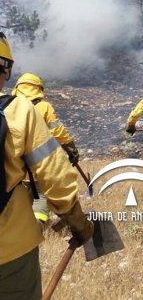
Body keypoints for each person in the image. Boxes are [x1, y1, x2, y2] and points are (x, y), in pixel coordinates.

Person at [0, 32, 93, 300]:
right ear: (5, 68)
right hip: (10, 250)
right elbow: (56, 174)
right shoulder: (19, 110)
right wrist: (76, 221)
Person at [12, 72, 81, 225]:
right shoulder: (43, 107)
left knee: (19, 200)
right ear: (38, 89)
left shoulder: (9, 106)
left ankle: (22, 226)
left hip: (14, 166)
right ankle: (38, 225)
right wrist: (72, 148)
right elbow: (58, 131)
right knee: (40, 196)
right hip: (38, 165)